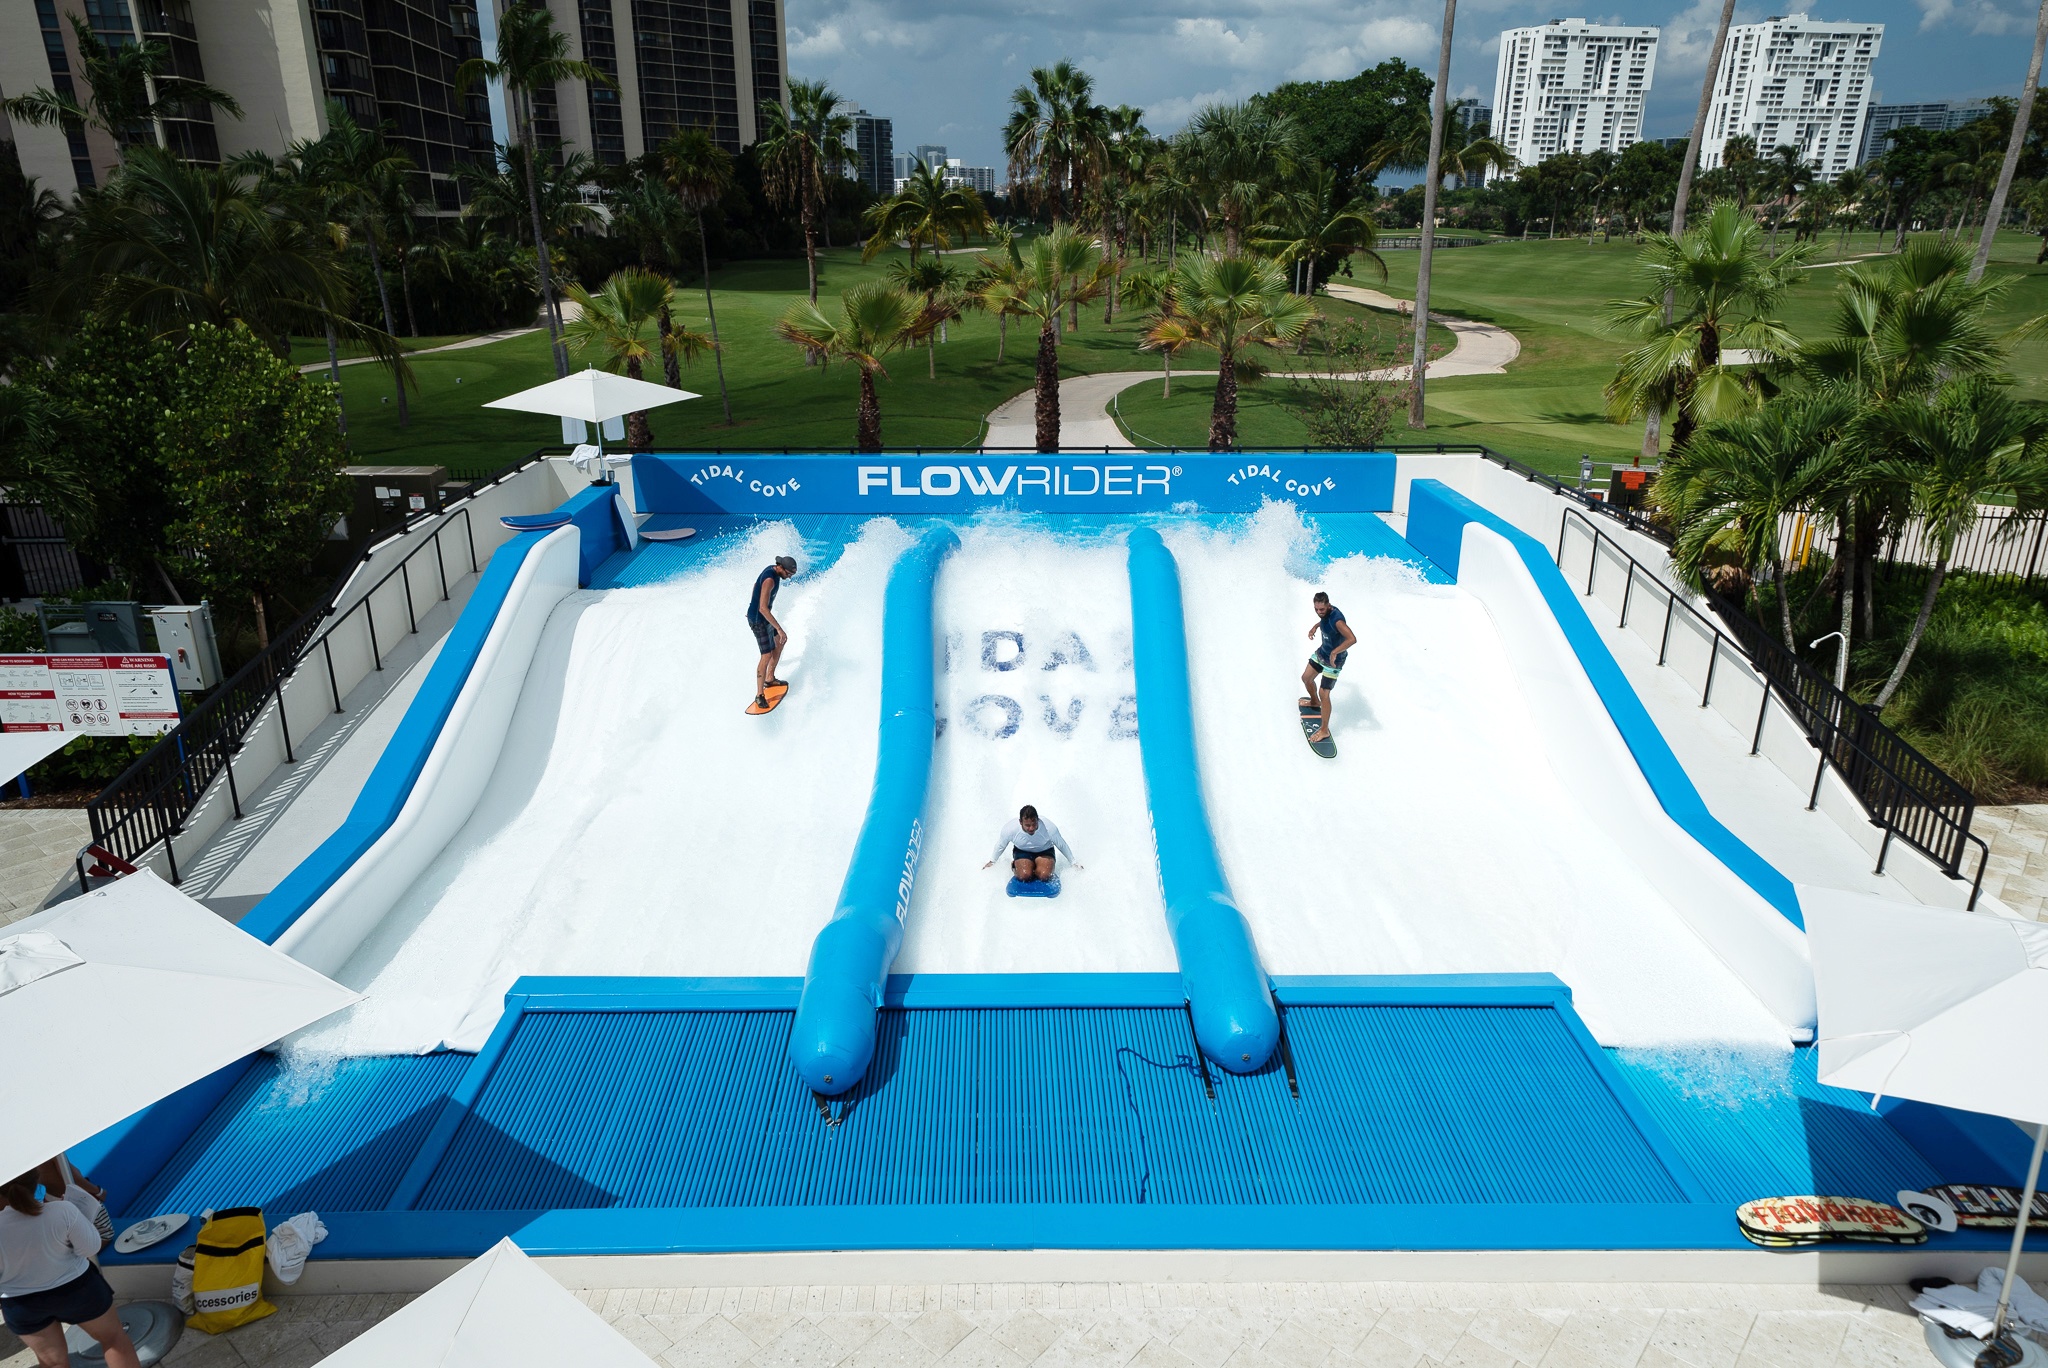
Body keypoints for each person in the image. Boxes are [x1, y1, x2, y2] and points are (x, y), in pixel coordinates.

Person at [0, 1168, 140, 1368]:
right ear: (37, 1182)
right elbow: (90, 1248)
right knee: (115, 1341)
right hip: (78, 1290)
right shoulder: (62, 1211)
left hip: (23, 1304)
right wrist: (77, 1215)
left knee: (53, 1363)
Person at [1301, 590, 1357, 746]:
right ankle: (1314, 702)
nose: (1319, 612)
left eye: (1322, 609)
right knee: (1306, 678)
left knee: (1324, 693)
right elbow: (1323, 621)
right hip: (1322, 653)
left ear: (1328, 605)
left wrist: (1334, 652)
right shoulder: (1324, 615)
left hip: (1334, 661)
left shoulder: (1337, 620)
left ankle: (1324, 729)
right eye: (1316, 609)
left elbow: (1352, 639)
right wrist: (1314, 627)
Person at [983, 804, 1081, 884]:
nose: (1031, 828)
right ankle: (1016, 865)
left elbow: (1061, 844)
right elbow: (1001, 845)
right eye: (1027, 825)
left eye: (1034, 824)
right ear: (1020, 822)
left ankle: (1038, 866)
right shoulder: (1010, 829)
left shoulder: (1049, 828)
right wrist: (992, 861)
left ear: (1037, 820)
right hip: (1022, 852)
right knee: (1024, 876)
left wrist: (1073, 862)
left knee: (1044, 875)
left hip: (1045, 851)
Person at [747, 555, 798, 708]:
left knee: (779, 643)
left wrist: (752, 603)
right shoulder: (770, 579)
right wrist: (779, 629)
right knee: (766, 655)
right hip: (758, 620)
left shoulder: (773, 571)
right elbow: (762, 608)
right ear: (781, 567)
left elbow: (755, 586)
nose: (788, 578)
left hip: (764, 616)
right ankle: (759, 695)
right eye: (788, 574)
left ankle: (769, 679)